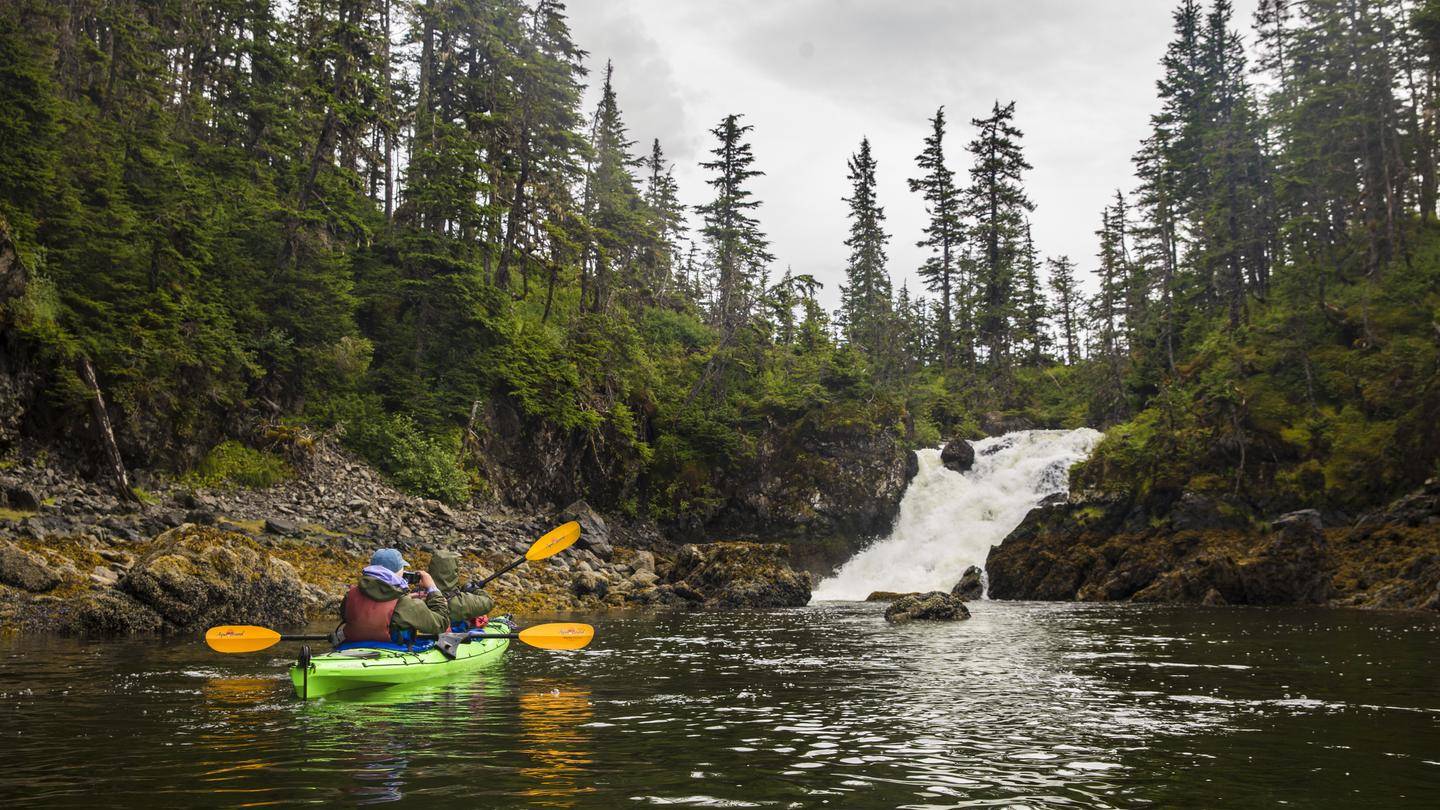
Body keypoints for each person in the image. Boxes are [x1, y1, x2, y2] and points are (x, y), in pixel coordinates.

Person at [337, 548, 449, 644]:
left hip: (350, 646)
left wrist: (407, 598)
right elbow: (441, 623)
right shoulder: (406, 605)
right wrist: (433, 589)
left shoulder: (350, 595)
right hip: (392, 651)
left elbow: (375, 605)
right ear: (397, 572)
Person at [428, 549, 496, 630]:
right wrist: (474, 590)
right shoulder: (462, 602)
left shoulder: (418, 596)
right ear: (455, 572)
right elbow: (489, 602)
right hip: (453, 638)